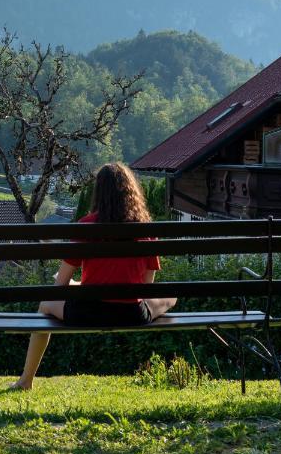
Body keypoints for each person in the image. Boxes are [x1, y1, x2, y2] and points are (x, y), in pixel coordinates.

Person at [10, 162, 177, 391]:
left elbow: (60, 285)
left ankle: (26, 380)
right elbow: (145, 289)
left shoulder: (86, 226)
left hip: (86, 312)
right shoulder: (144, 228)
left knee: (45, 304)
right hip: (131, 314)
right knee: (171, 297)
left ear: (99, 191)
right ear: (131, 191)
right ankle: (26, 380)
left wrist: (80, 285)